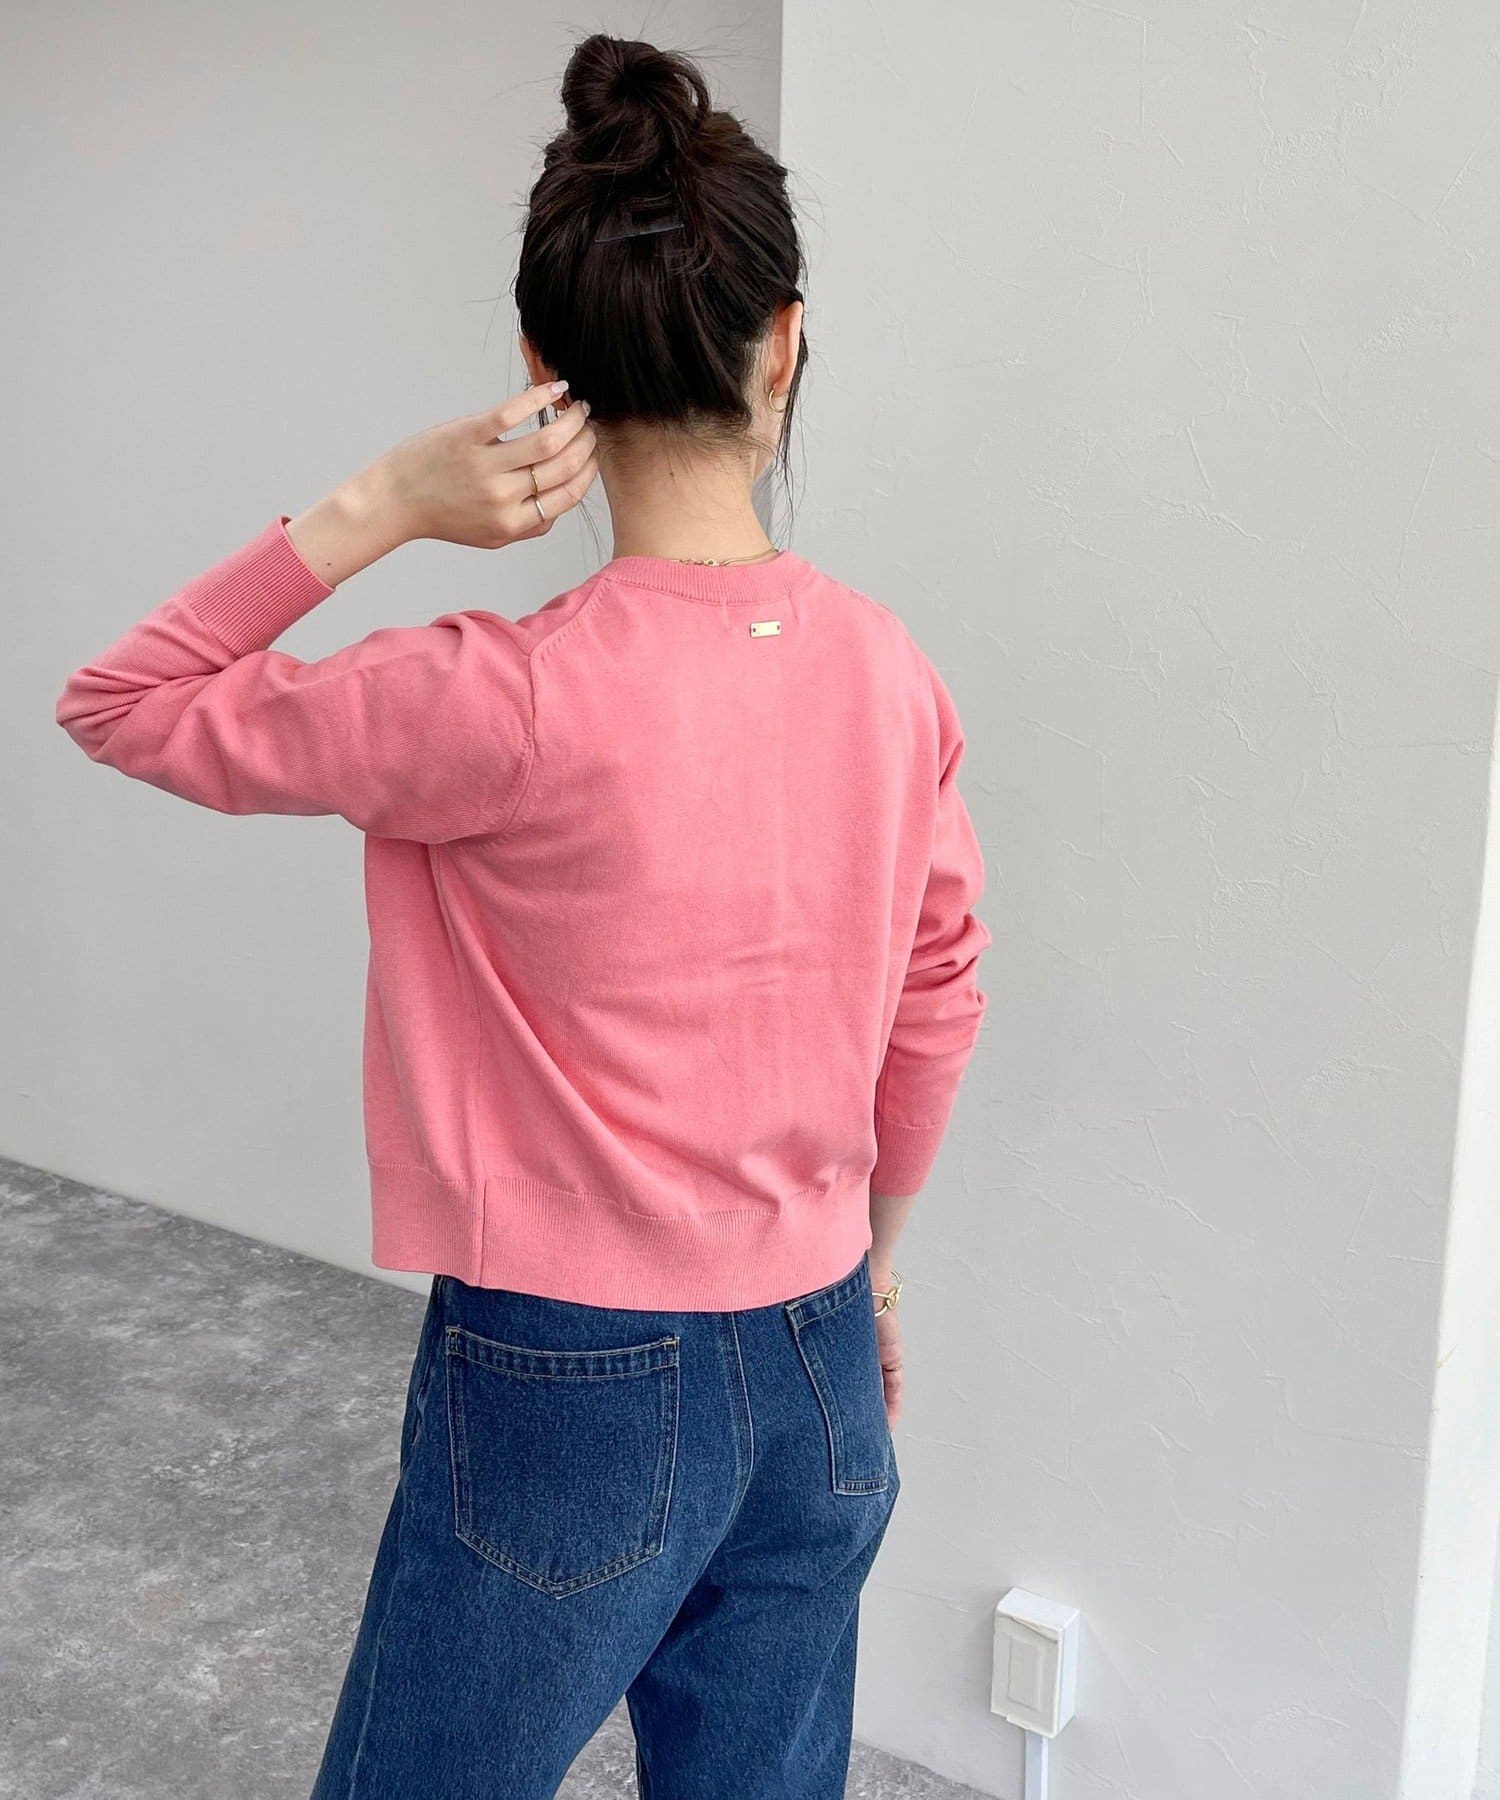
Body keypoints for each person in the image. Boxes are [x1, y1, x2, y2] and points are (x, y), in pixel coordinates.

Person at [54, 31, 990, 1800]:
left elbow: (123, 701)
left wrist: (383, 506)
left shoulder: (495, 696)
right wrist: (872, 1261)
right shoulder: (890, 670)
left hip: (571, 1376)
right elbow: (940, 990)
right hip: (818, 1357)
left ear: (545, 372)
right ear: (785, 346)